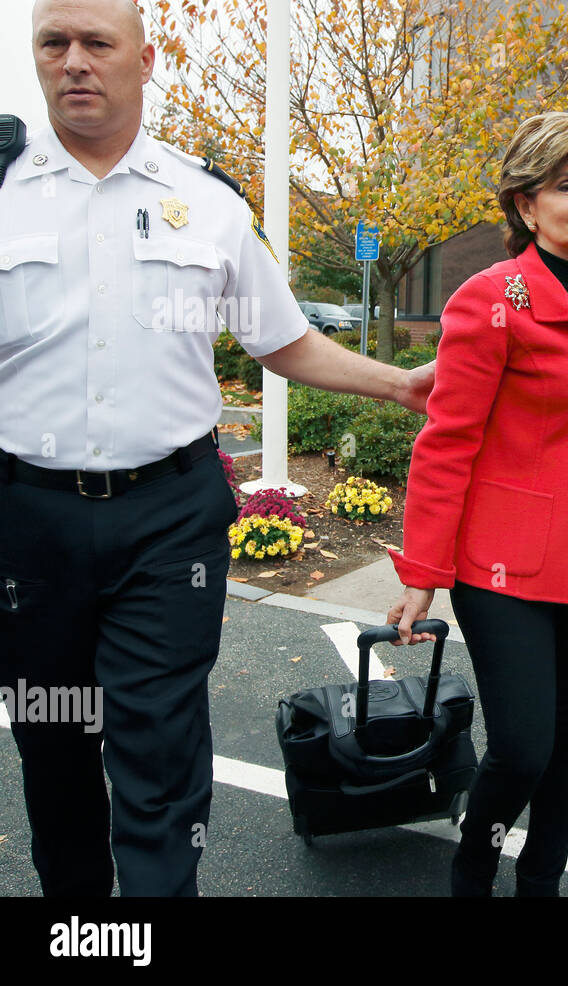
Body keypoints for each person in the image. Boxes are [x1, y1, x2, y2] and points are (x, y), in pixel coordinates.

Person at [0, 0, 436, 897]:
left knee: (158, 746)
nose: (74, 61)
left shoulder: (205, 202)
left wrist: (399, 384)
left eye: (97, 42)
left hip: (167, 519)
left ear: (146, 58)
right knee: (55, 743)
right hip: (27, 518)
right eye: (54, 43)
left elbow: (277, 339)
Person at [387, 112, 568, 897]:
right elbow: (448, 440)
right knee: (525, 747)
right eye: (566, 186)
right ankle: (475, 867)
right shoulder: (487, 298)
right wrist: (423, 570)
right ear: (526, 206)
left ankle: (541, 881)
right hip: (505, 566)